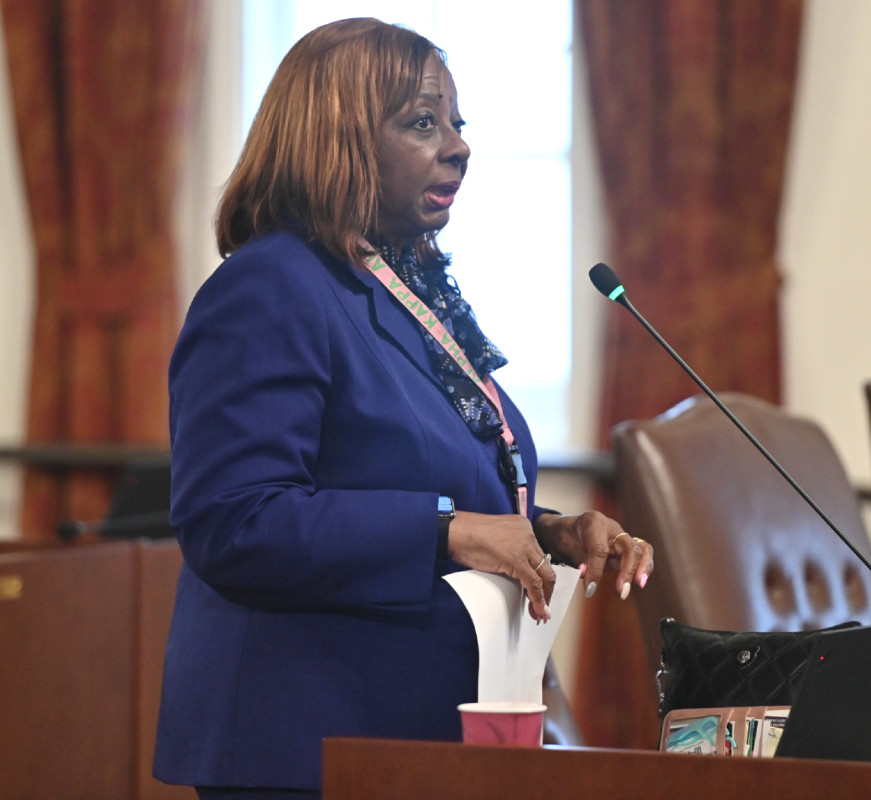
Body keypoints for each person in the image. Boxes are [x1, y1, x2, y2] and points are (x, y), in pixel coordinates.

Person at [153, 17, 654, 798]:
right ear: (339, 138)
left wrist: (550, 531)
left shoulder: (400, 286)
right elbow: (233, 520)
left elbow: (401, 477)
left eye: (458, 122)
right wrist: (448, 532)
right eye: (424, 122)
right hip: (309, 744)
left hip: (418, 737)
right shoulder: (270, 286)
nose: (457, 144)